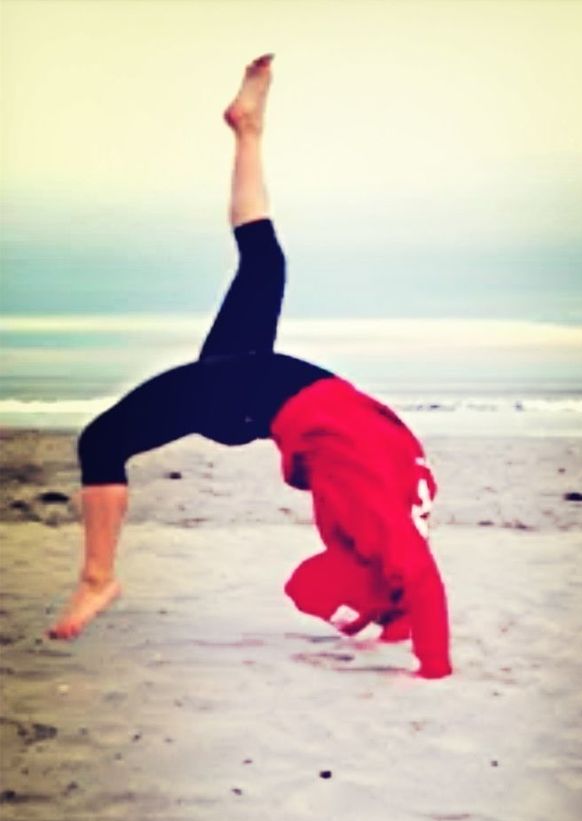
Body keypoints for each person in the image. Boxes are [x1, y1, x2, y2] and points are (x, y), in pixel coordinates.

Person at [49, 55, 452, 680]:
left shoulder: (389, 519)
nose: (322, 584)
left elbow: (408, 573)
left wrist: (403, 641)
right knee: (262, 265)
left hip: (256, 395)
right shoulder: (384, 533)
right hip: (256, 391)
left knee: (101, 439)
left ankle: (97, 580)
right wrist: (419, 651)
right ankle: (248, 131)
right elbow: (418, 584)